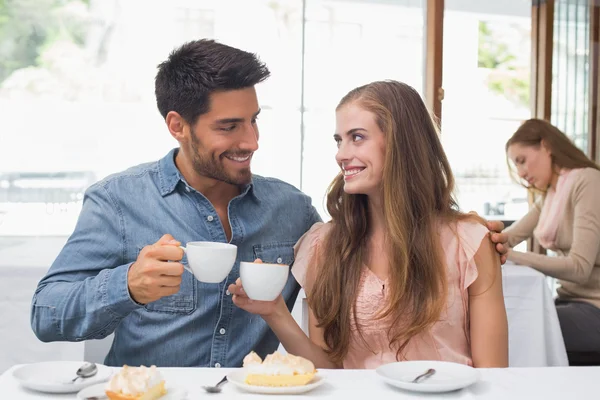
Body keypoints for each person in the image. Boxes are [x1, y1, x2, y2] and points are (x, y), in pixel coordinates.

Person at [31, 40, 509, 368]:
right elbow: (46, 314)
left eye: (255, 121)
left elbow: (372, 245)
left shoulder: (292, 211)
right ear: (178, 125)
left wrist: (461, 233)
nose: (252, 141)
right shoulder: (119, 202)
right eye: (230, 126)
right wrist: (127, 287)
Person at [230, 80, 509, 369]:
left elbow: (494, 376)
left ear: (402, 143)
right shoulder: (324, 246)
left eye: (357, 137)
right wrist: (275, 312)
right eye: (339, 140)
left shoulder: (470, 244)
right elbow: (329, 372)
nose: (341, 154)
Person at [504, 119, 600, 365]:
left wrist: (511, 254)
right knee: (510, 318)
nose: (522, 174)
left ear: (546, 146)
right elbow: (509, 237)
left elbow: (579, 268)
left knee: (518, 326)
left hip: (594, 308)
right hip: (569, 302)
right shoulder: (551, 194)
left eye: (522, 161)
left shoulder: (587, 181)